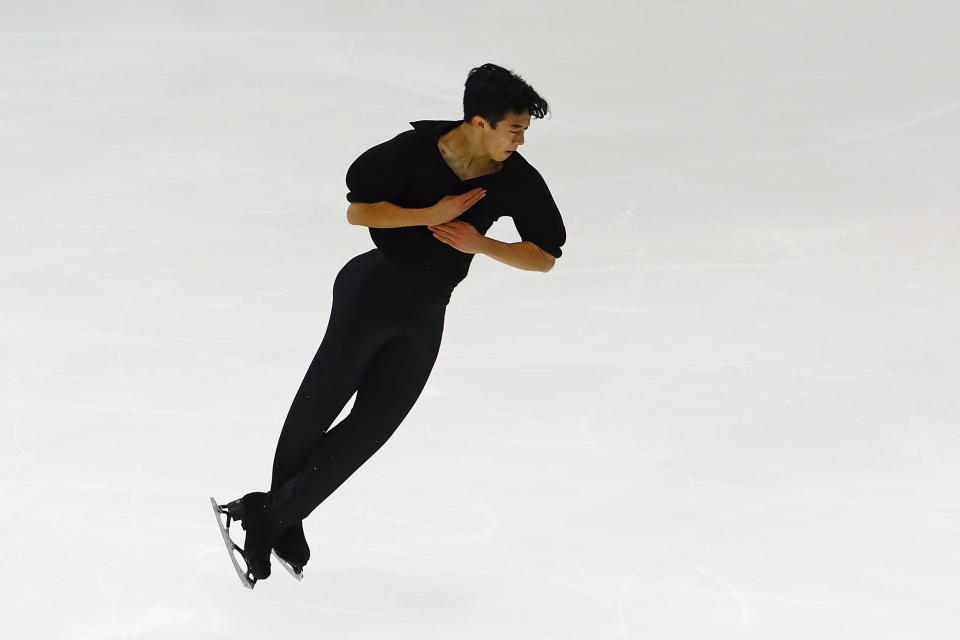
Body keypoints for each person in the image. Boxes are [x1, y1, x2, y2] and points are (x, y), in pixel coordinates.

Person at [218, 62, 566, 586]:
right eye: (513, 128)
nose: (520, 139)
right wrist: (430, 213)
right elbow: (360, 212)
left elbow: (544, 257)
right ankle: (278, 523)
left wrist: (482, 244)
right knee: (320, 404)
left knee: (376, 425)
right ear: (478, 122)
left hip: (427, 308)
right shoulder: (410, 154)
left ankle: (268, 513)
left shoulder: (516, 180)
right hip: (371, 290)